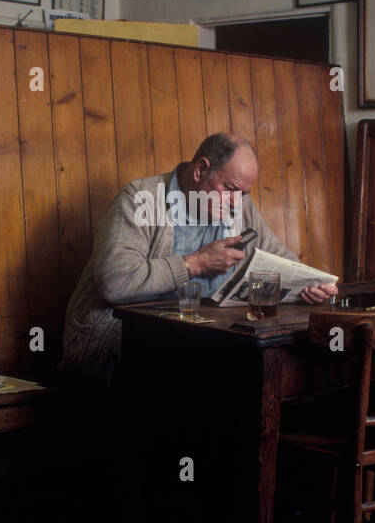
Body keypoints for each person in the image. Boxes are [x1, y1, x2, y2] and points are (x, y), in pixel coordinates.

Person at [62, 133, 338, 395]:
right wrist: (194, 264)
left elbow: (276, 256)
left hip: (200, 337)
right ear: (200, 170)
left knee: (252, 372)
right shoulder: (140, 200)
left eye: (242, 193)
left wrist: (309, 283)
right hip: (122, 340)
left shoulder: (239, 204)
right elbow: (115, 283)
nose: (235, 203)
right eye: (229, 189)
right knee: (216, 380)